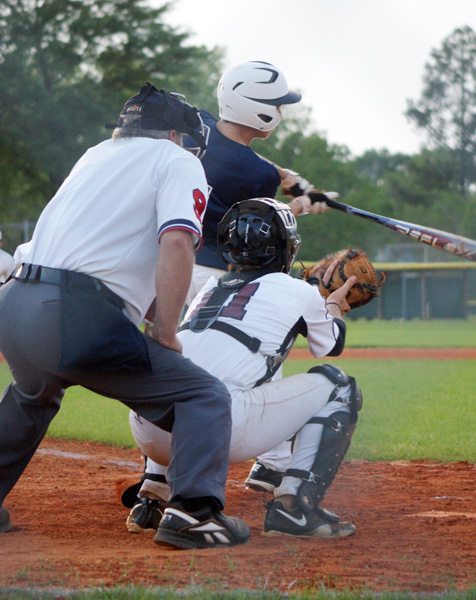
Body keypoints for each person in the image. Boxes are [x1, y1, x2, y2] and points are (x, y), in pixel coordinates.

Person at [0, 83, 250, 549]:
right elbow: (176, 243)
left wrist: (151, 316)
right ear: (173, 135)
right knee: (203, 396)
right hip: (73, 313)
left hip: (14, 302)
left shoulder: (95, 155)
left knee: (33, 396)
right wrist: (166, 331)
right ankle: (193, 514)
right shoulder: (176, 160)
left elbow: (121, 256)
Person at [126, 198, 362, 540]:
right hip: (217, 430)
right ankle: (294, 507)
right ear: (285, 248)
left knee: (187, 374)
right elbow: (330, 345)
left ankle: (152, 496)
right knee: (339, 386)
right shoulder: (298, 290)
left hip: (148, 428)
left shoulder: (209, 288)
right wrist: (332, 305)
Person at [182, 60, 332, 489]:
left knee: (183, 362)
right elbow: (263, 221)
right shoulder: (256, 174)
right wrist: (304, 204)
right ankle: (273, 464)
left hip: (174, 266)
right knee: (263, 356)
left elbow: (233, 150)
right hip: (221, 276)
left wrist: (289, 176)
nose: (280, 112)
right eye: (276, 105)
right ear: (257, 110)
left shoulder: (200, 125)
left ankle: (159, 472)